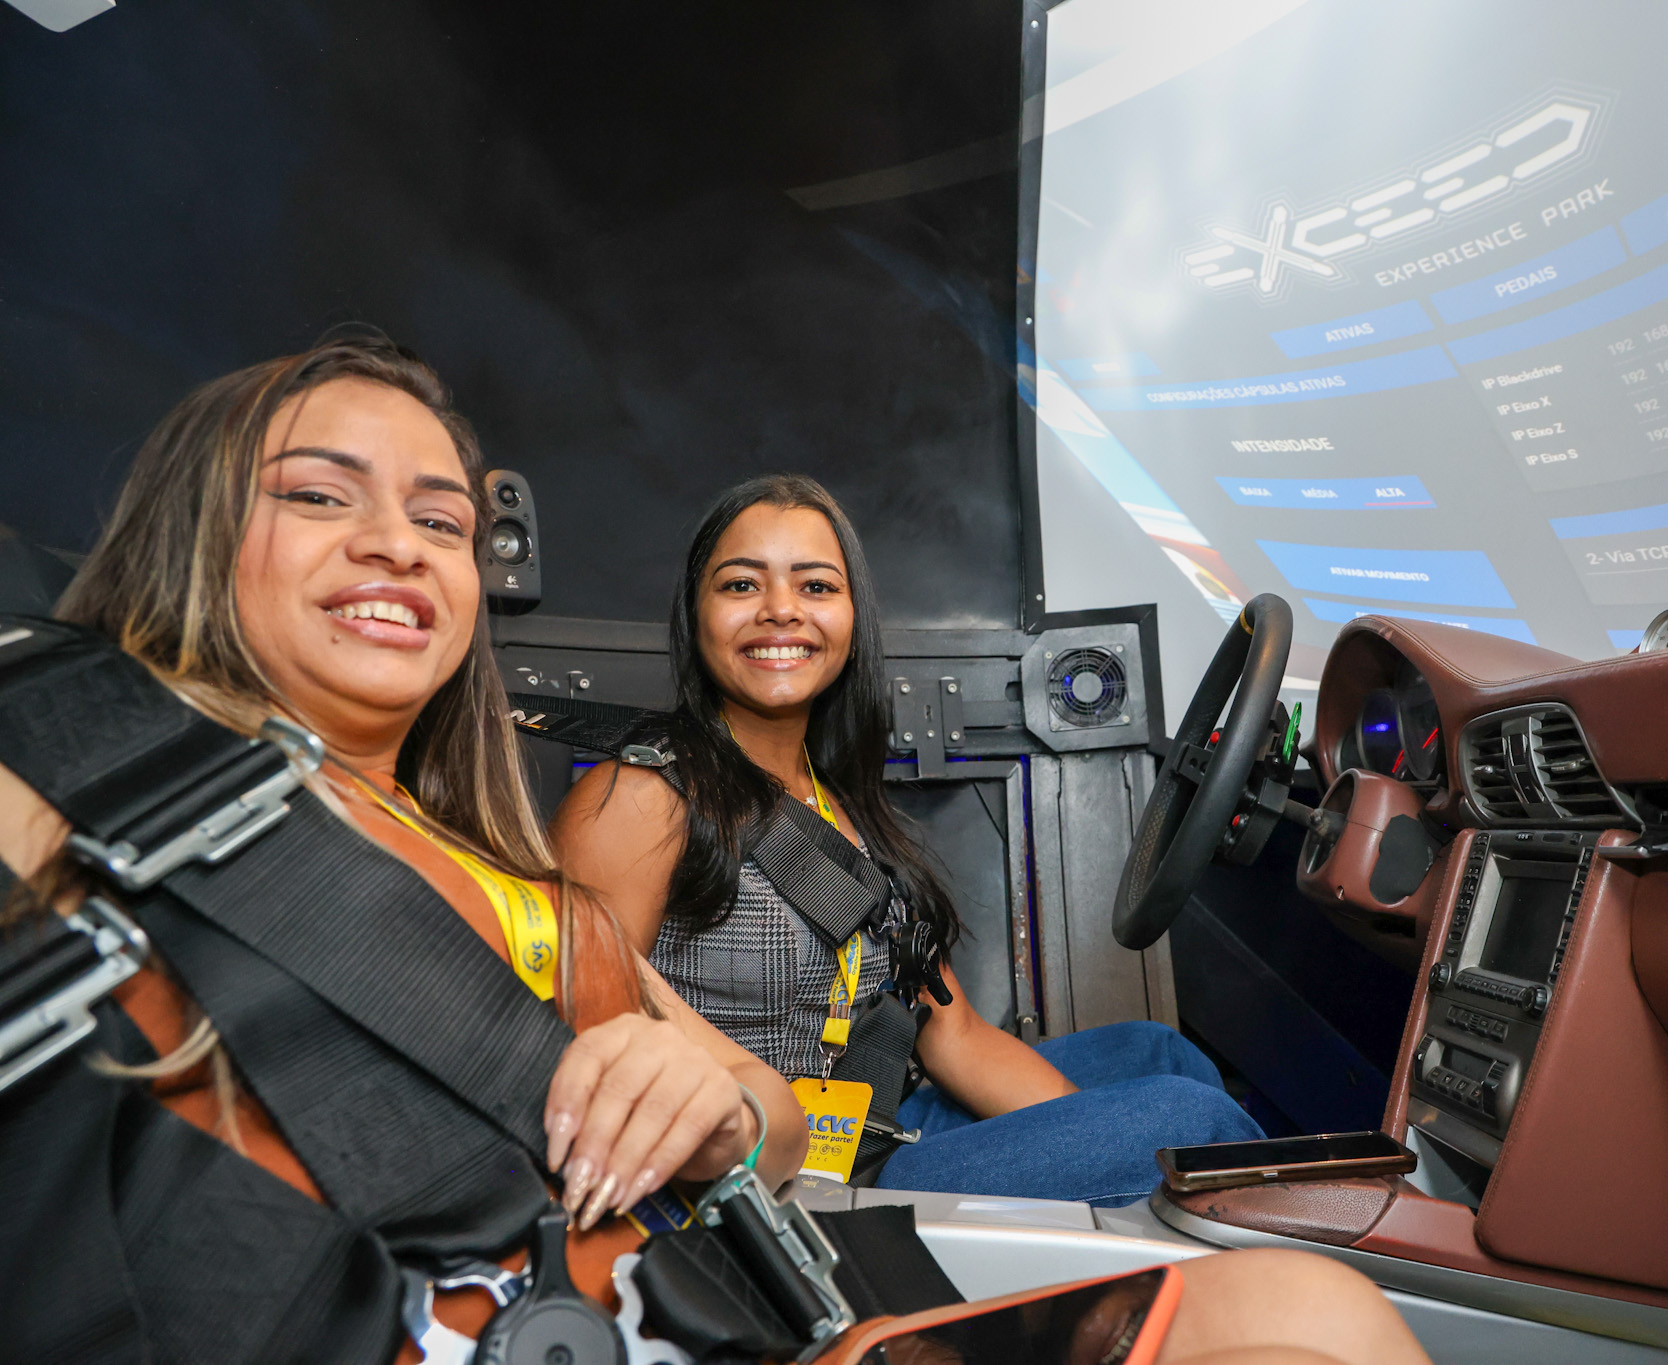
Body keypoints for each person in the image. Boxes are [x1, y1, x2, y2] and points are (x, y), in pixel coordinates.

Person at [0, 336, 1427, 1365]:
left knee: (1250, 1209)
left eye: (439, 518)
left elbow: (850, 1066)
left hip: (738, 1261)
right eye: (319, 495)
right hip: (728, 1243)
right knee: (1196, 1137)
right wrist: (1066, 1163)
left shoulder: (515, 868)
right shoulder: (84, 765)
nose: (395, 543)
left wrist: (724, 1095)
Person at [552, 474, 1266, 1207]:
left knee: (1161, 1053)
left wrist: (1082, 1128)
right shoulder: (639, 797)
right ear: (696, 613)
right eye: (741, 585)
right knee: (1194, 1119)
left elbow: (954, 1037)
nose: (780, 611)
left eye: (816, 587)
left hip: (877, 1122)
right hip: (790, 1184)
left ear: (853, 617)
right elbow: (585, 1024)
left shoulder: (840, 806)